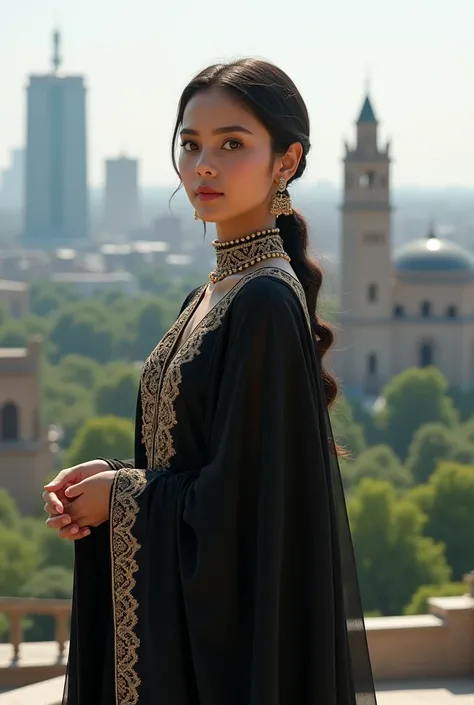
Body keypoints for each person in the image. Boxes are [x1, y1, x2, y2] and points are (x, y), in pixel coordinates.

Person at [43, 58, 377, 705]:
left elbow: (246, 513)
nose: (204, 165)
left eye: (232, 144)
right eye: (191, 144)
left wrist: (124, 497)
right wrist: (108, 481)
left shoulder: (264, 304)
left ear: (287, 160)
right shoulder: (209, 296)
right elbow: (193, 463)